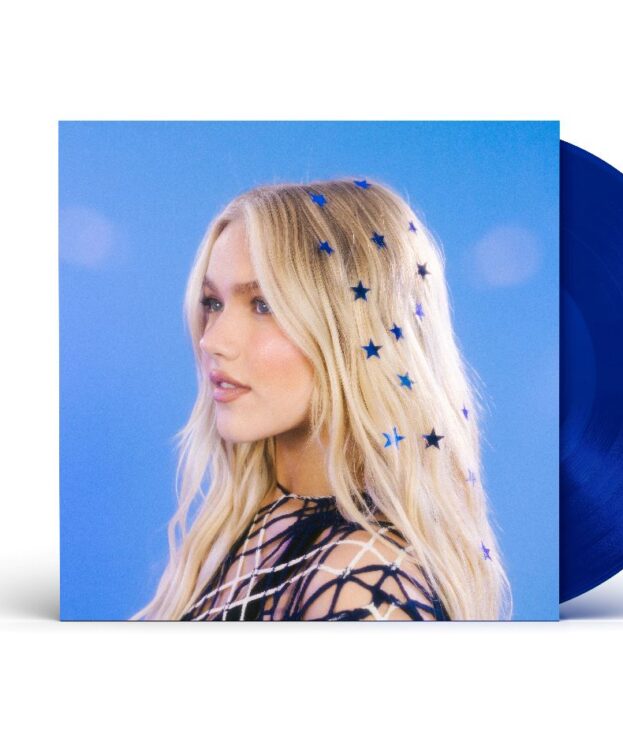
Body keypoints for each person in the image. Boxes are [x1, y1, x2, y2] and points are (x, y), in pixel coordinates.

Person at [132, 178, 512, 621]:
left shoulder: (364, 585)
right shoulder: (237, 533)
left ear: (357, 330)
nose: (212, 341)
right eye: (213, 303)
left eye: (264, 305)